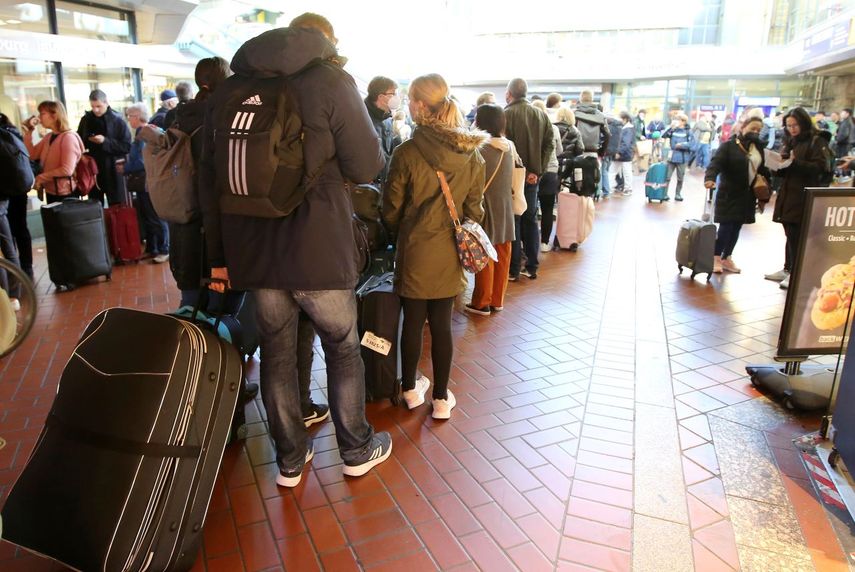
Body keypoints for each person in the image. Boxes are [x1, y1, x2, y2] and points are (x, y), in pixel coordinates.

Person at [199, 13, 390, 487]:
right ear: (322, 40)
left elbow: (209, 180)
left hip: (254, 250)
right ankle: (356, 448)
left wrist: (218, 257)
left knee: (277, 354)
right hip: (317, 244)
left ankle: (289, 459)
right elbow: (367, 162)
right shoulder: (330, 79)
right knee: (343, 348)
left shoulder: (229, 89)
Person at [382, 73, 486, 419]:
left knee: (411, 322)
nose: (407, 105)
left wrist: (403, 231)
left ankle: (410, 390)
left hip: (414, 250)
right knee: (442, 324)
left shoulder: (407, 152)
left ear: (421, 106)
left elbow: (391, 209)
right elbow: (474, 211)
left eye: (410, 99)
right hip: (450, 252)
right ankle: (441, 399)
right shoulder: (472, 155)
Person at [766, 107, 829, 290]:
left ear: (803, 123)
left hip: (803, 197)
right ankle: (788, 269)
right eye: (788, 126)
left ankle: (796, 272)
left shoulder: (817, 141)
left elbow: (820, 168)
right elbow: (787, 167)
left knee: (796, 236)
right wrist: (778, 164)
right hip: (788, 194)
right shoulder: (791, 141)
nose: (792, 129)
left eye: (795, 125)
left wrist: (795, 163)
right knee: (789, 233)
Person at [465, 103, 514, 316]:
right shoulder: (509, 146)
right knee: (503, 251)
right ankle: (497, 300)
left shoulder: (478, 147)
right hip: (505, 205)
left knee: (484, 251)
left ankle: (481, 302)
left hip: (484, 205)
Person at [704, 116, 769, 274]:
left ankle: (727, 257)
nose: (755, 132)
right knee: (726, 227)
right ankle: (715, 257)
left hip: (747, 195)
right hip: (729, 193)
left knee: (737, 227)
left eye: (758, 130)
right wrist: (710, 178)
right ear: (743, 127)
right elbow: (715, 163)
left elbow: (763, 169)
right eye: (752, 128)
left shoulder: (758, 148)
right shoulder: (729, 146)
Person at [504, 77, 554, 281]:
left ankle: (514, 269)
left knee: (514, 219)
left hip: (512, 174)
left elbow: (505, 146)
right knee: (531, 219)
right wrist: (537, 170)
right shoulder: (541, 114)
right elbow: (549, 144)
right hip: (533, 176)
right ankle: (532, 266)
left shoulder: (506, 114)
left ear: (509, 94)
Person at [125, 103, 169, 263]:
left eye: (130, 116)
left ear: (137, 117)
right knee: (148, 216)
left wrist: (125, 168)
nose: (129, 120)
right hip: (145, 180)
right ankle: (153, 248)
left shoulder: (144, 133)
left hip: (146, 180)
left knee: (154, 216)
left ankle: (164, 248)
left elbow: (142, 160)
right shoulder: (146, 131)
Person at [23, 101, 84, 204]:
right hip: (51, 190)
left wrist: (41, 178)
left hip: (65, 193)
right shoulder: (49, 136)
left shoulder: (68, 137)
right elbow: (32, 155)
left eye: (42, 114)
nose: (39, 117)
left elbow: (67, 170)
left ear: (55, 115)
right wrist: (29, 132)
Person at [77, 90, 131, 206]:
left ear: (106, 103)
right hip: (93, 168)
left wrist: (105, 141)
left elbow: (126, 146)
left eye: (98, 106)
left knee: (116, 205)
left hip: (113, 169)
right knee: (94, 205)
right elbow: (79, 142)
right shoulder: (86, 120)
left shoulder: (118, 120)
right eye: (93, 106)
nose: (96, 110)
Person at [0, 114, 27, 307]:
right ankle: (13, 296)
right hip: (3, 199)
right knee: (8, 249)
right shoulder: (8, 135)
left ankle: (7, 297)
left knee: (5, 252)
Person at [532, 99, 562, 251]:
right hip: (550, 170)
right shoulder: (553, 128)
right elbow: (559, 150)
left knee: (531, 208)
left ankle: (529, 242)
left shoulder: (529, 128)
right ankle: (544, 242)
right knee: (548, 208)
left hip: (533, 171)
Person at [365, 76, 400, 185]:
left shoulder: (388, 119)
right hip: (366, 183)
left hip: (384, 181)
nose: (396, 97)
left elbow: (388, 152)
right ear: (380, 96)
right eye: (392, 94)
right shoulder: (362, 117)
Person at [662, 113, 693, 201]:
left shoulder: (688, 131)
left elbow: (693, 144)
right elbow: (664, 136)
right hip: (671, 157)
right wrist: (671, 128)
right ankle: (664, 194)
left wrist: (682, 145)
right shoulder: (673, 130)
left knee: (680, 178)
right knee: (667, 177)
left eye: (678, 119)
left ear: (683, 121)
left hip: (682, 158)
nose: (676, 121)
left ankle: (678, 194)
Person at [614, 111, 635, 195]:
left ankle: (628, 189)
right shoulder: (628, 128)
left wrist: (619, 152)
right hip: (626, 154)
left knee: (626, 172)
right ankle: (626, 188)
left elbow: (625, 143)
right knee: (624, 172)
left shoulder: (627, 129)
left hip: (624, 154)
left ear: (625, 119)